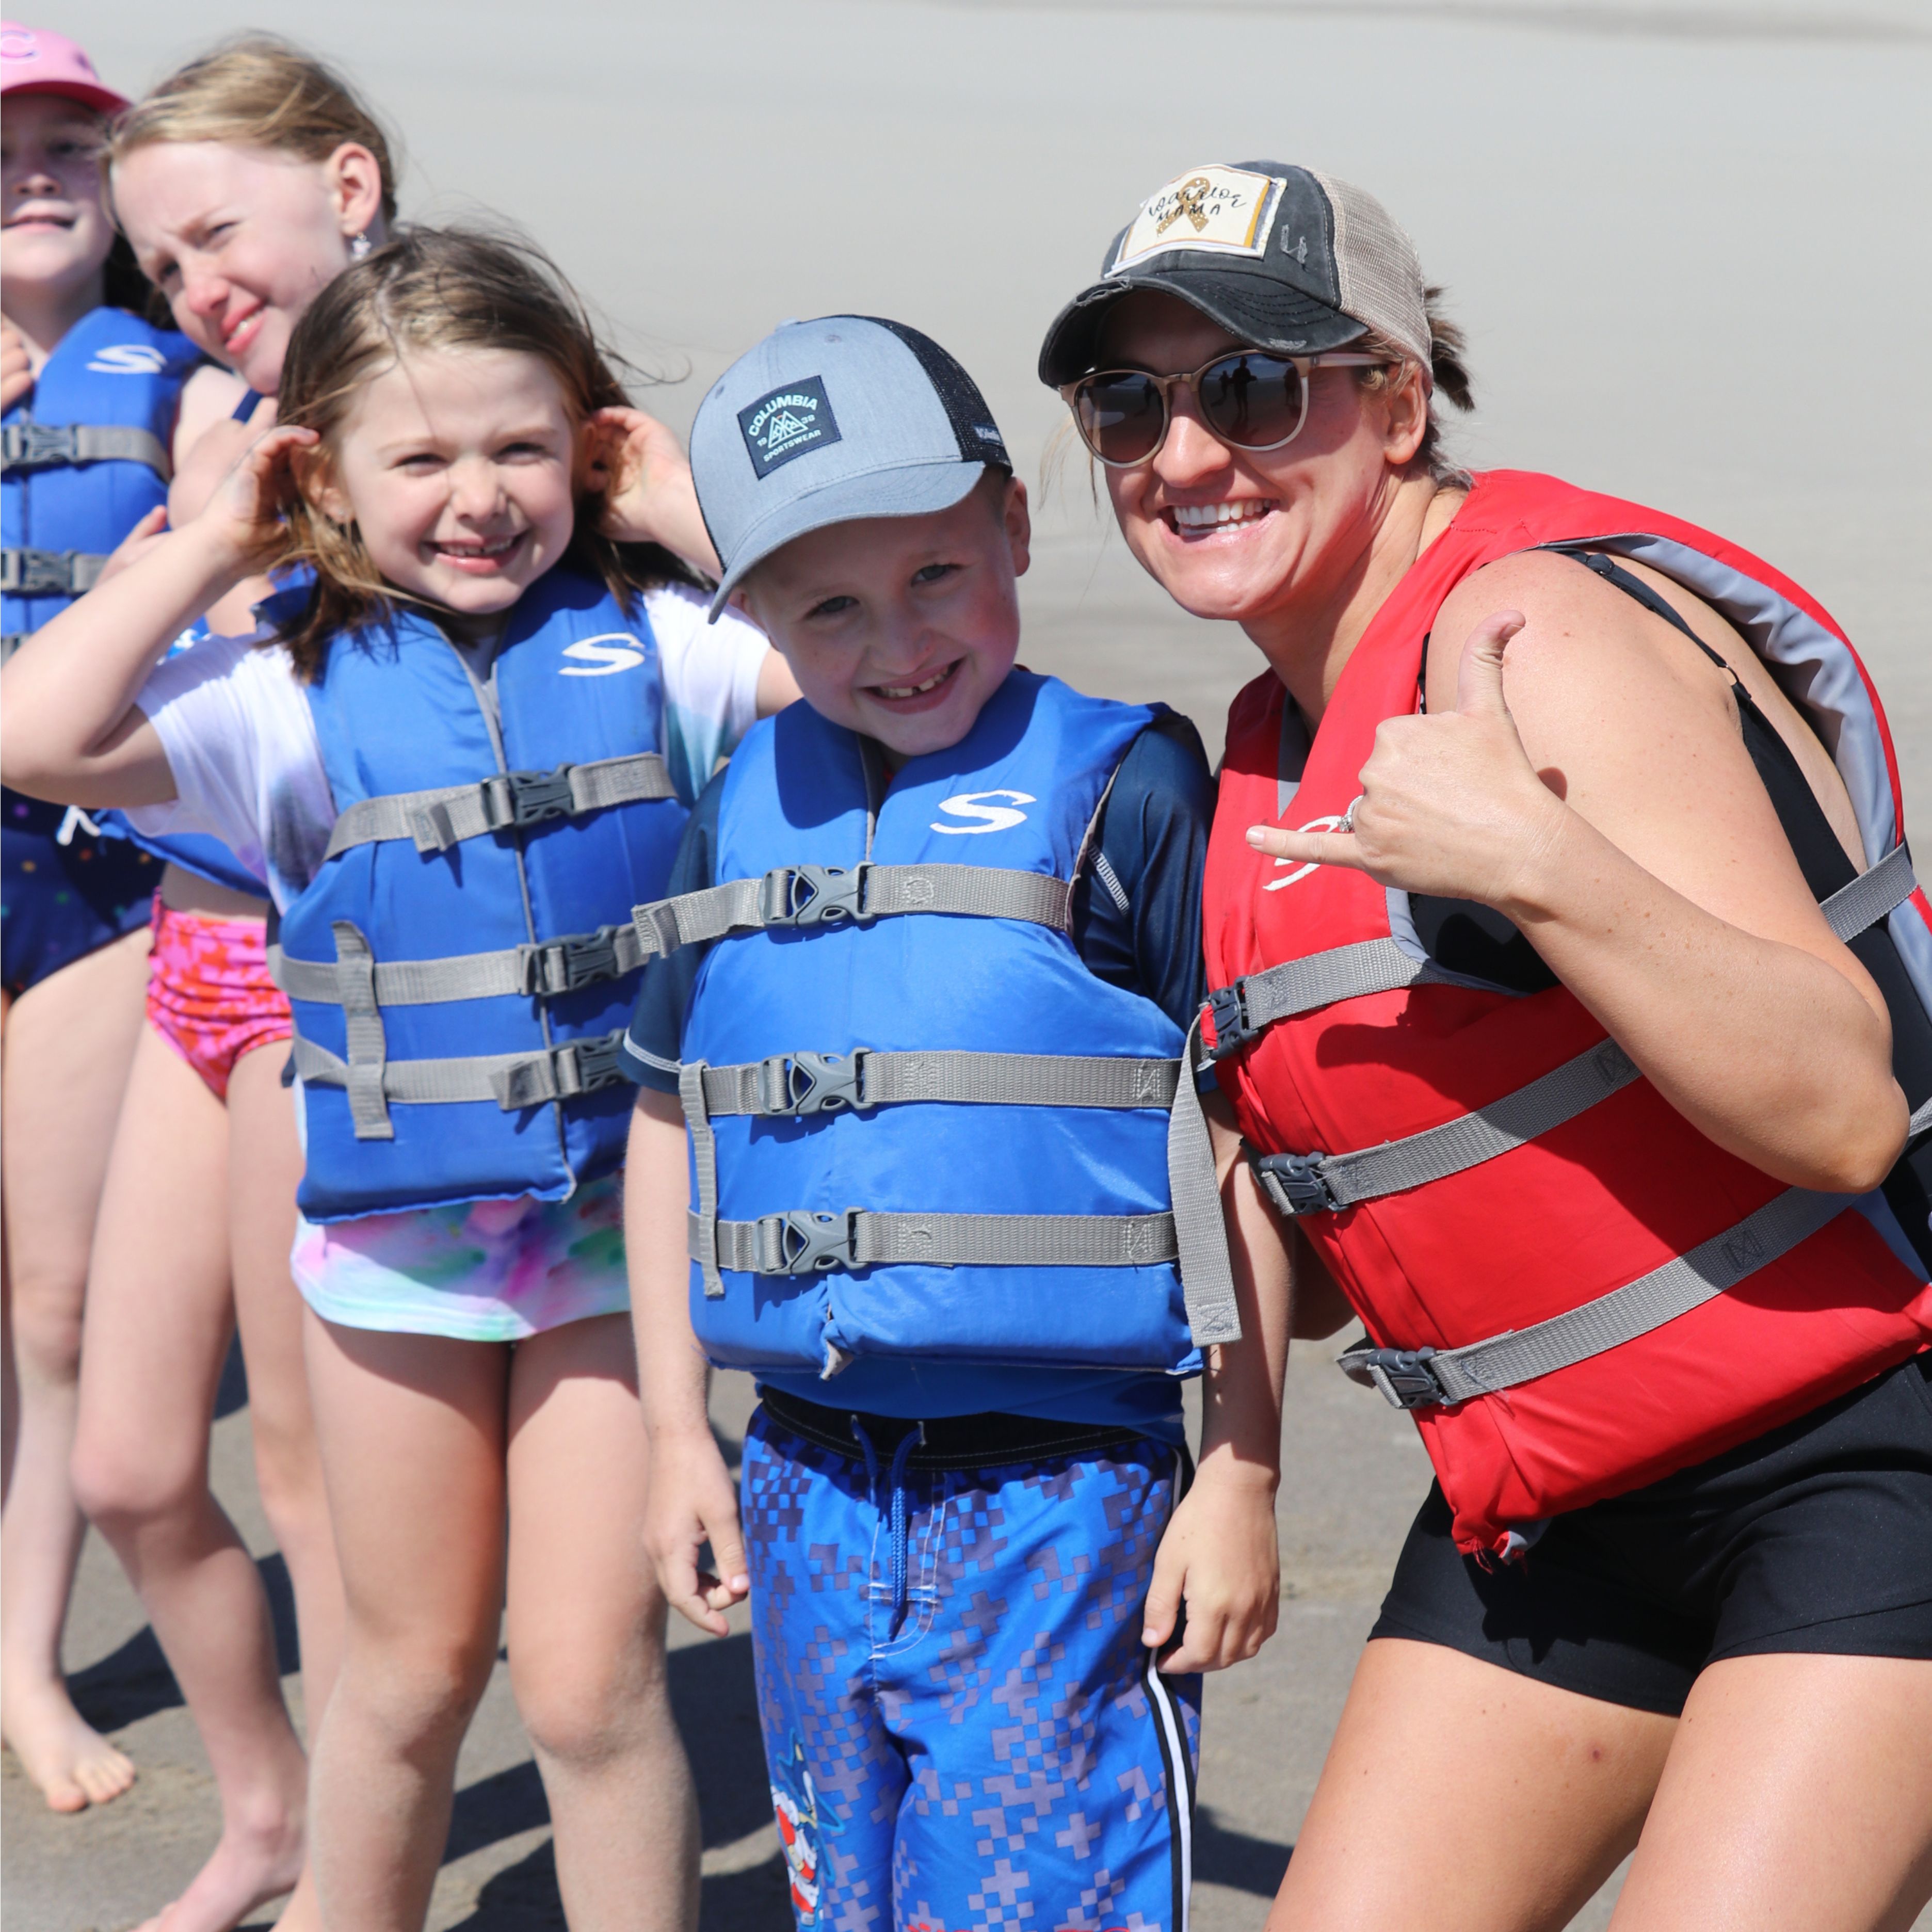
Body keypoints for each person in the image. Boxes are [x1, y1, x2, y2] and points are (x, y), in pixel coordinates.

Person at [1038, 160, 1932, 1931]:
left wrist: (1540, 859)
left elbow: (1841, 1108)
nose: (1186, 452)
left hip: (1863, 1457)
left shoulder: (1538, 639)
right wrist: (1242, 1459)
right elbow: (1309, 1179)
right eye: (1126, 401)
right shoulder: (1264, 746)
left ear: (1394, 399)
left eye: (1251, 386)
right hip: (1551, 1504)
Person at [1, 225, 788, 1931]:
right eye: (419, 458)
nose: (479, 497)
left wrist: (682, 519)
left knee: (591, 1691)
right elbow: (33, 731)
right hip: (394, 1265)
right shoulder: (279, 699)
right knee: (411, 1679)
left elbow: (867, 681)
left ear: (587, 444)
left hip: (610, 1257)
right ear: (330, 482)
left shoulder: (678, 654)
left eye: (523, 447)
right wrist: (218, 528)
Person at [625, 314, 1290, 1927]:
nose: (897, 641)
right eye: (829, 606)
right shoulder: (733, 804)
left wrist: (1246, 1470)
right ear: (756, 612)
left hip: (1065, 1497)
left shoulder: (1130, 790)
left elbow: (1243, 1138)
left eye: (936, 574)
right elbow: (669, 1123)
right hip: (799, 1482)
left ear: (1012, 522)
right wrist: (670, 1438)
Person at [0, 19, 193, 1815]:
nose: (39, 172)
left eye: (71, 143)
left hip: (91, 880)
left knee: (52, 1304)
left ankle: (25, 1669)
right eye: (6, 147)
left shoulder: (182, 375)